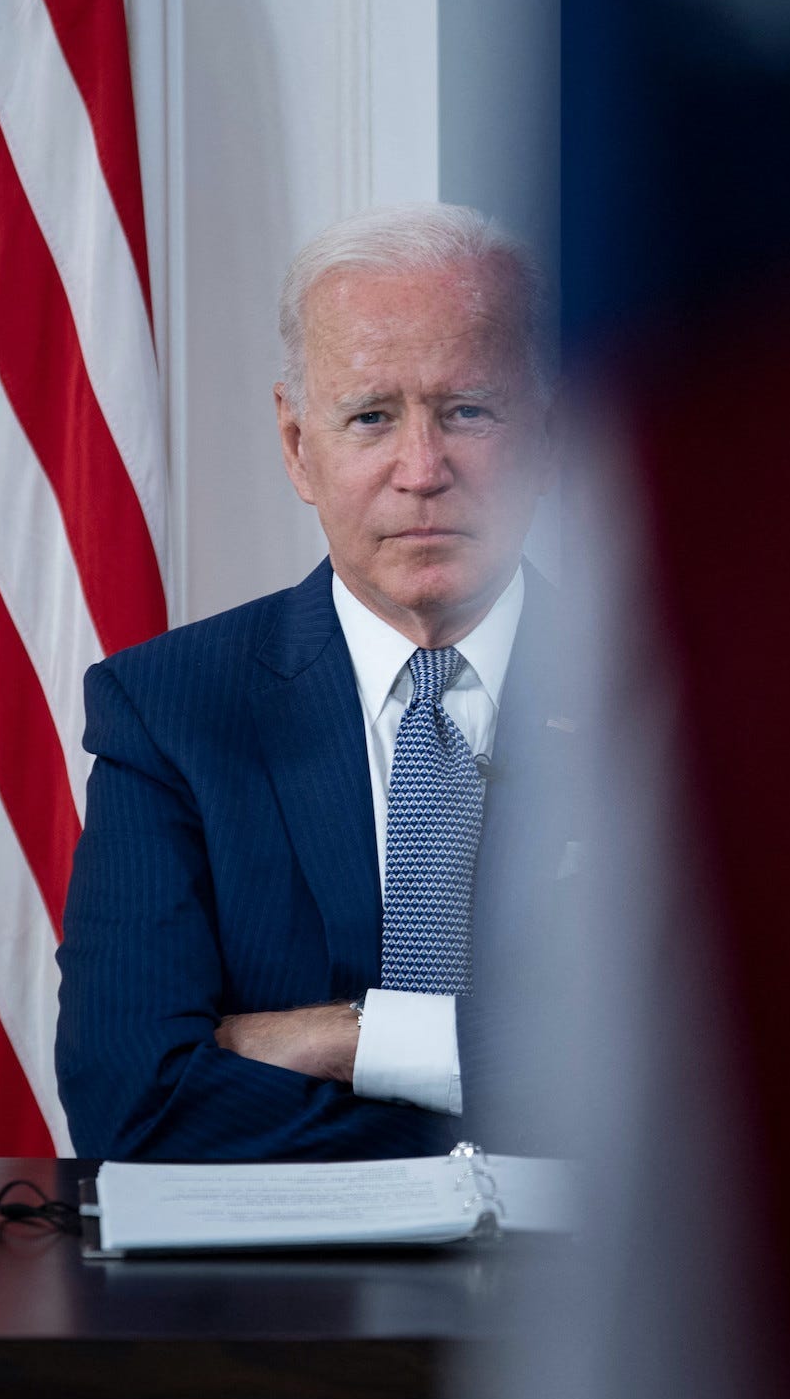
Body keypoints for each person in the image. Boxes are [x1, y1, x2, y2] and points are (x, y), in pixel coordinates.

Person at [55, 203, 574, 1160]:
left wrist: (346, 1040)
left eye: (469, 411)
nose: (423, 470)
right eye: (372, 417)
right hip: (277, 1308)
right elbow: (131, 1102)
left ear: (544, 435)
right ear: (299, 445)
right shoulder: (169, 709)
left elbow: (708, 1090)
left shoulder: (663, 697)